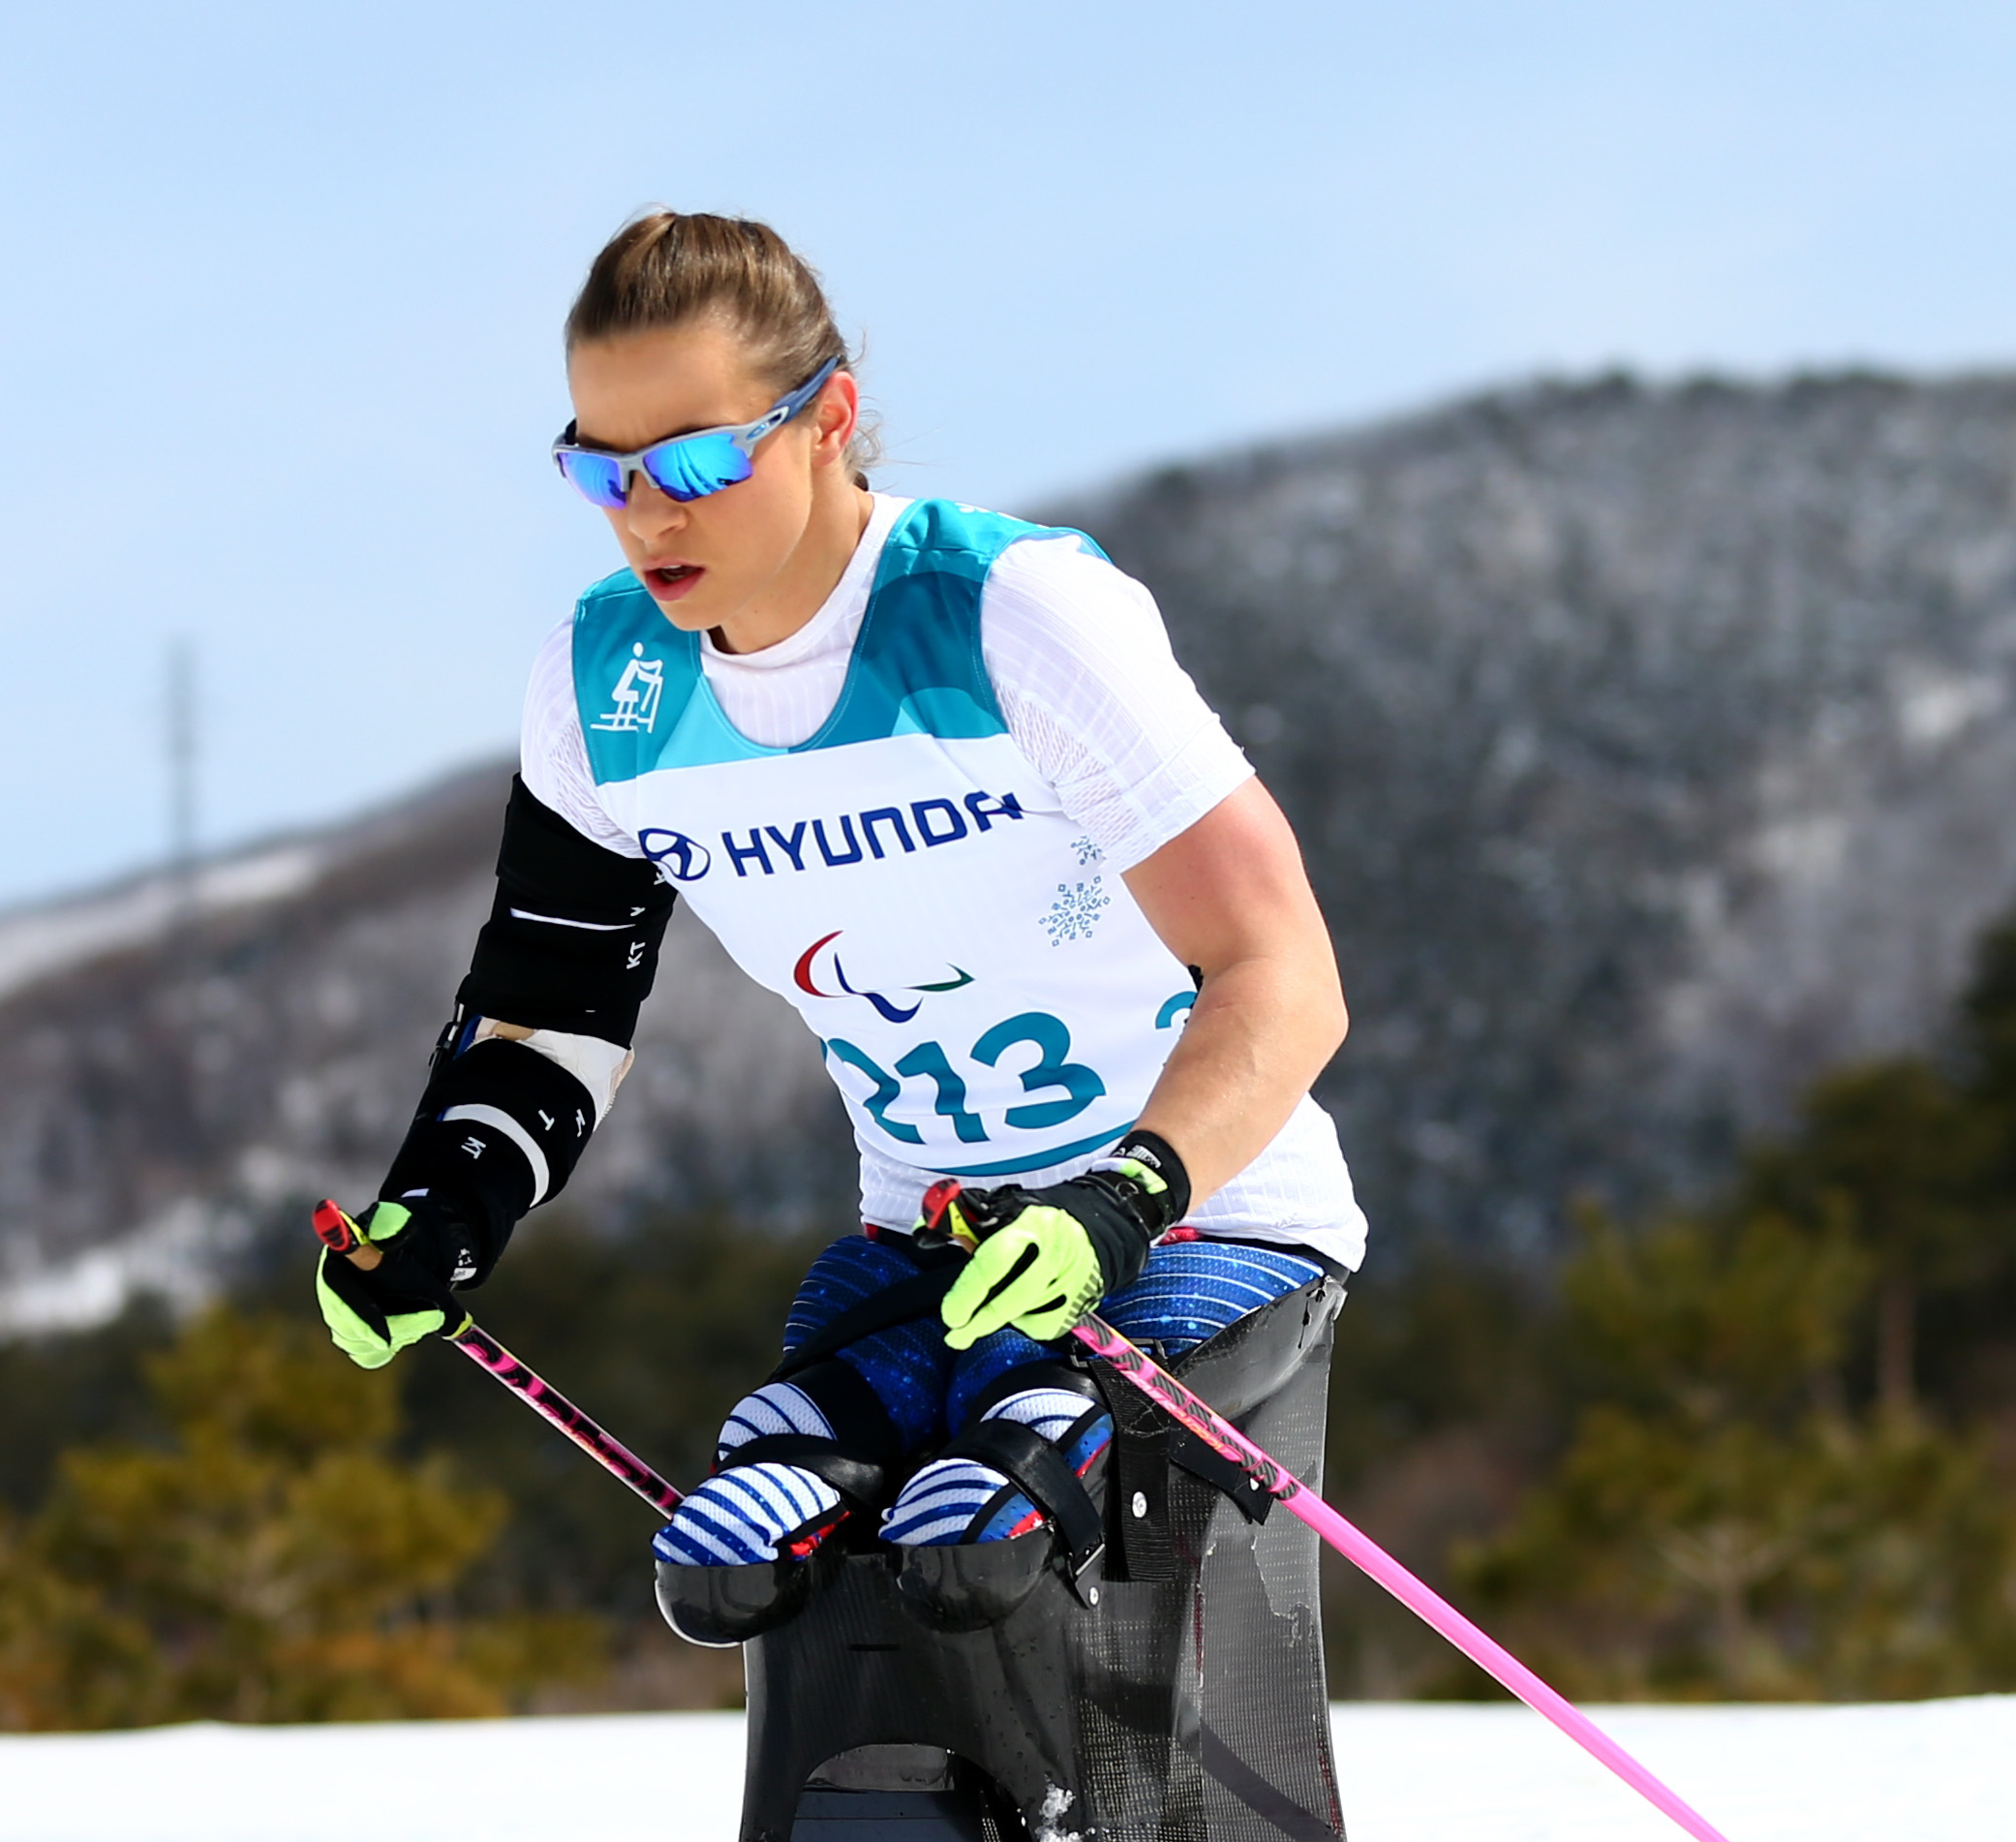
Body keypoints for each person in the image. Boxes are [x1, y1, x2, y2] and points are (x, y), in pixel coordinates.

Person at [317, 210, 1364, 1640]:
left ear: (828, 422)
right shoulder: (602, 683)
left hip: (1199, 1231)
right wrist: (447, 1204)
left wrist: (1126, 1197)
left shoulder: (1006, 614)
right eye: (599, 470)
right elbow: (552, 1011)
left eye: (693, 460)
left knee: (983, 1545)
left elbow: (1283, 974)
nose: (647, 514)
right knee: (730, 1558)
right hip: (925, 1254)